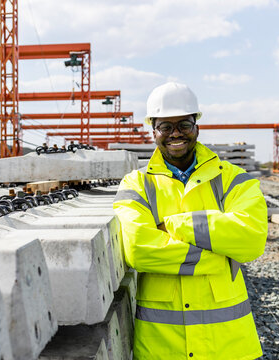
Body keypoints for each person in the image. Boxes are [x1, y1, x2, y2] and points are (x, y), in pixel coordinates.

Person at [113, 82, 268, 359]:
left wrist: (173, 225)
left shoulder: (234, 179)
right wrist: (218, 255)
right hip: (163, 346)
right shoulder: (135, 185)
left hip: (229, 346)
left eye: (184, 124)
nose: (175, 134)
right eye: (166, 127)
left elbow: (252, 239)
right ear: (154, 131)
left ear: (197, 126)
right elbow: (139, 250)